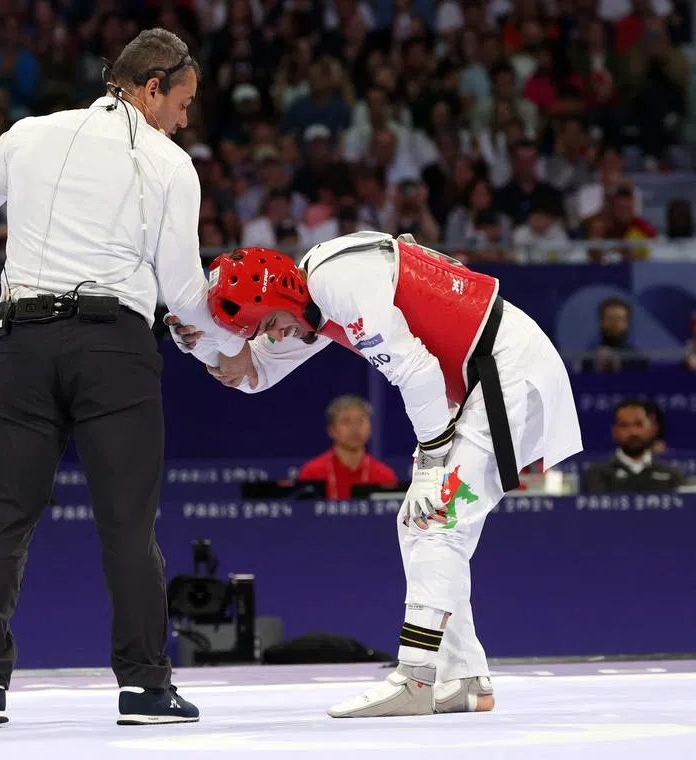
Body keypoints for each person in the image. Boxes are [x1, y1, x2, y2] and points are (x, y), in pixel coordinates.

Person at [0, 28, 247, 727]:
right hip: (113, 353)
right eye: (182, 102)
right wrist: (221, 348)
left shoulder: (32, 133)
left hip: (21, 347)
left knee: (0, 517)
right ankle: (146, 689)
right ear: (152, 87)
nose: (185, 119)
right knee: (127, 524)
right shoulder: (169, 163)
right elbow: (181, 292)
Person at [171, 231, 582, 717]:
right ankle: (466, 677)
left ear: (284, 295)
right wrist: (203, 347)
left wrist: (430, 466)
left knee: (436, 521)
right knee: (417, 522)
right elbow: (254, 376)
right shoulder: (311, 302)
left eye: (273, 324)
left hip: (506, 374)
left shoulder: (339, 282)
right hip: (483, 380)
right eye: (265, 331)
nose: (276, 336)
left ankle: (416, 678)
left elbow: (420, 373)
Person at [297, 395, 398, 499]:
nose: (354, 428)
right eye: (346, 421)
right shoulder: (312, 473)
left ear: (370, 428)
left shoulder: (385, 476)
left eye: (360, 421)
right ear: (331, 429)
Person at [582, 400, 684, 493]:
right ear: (615, 432)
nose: (633, 432)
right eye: (624, 425)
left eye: (639, 424)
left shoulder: (670, 474)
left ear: (651, 428)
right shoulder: (596, 474)